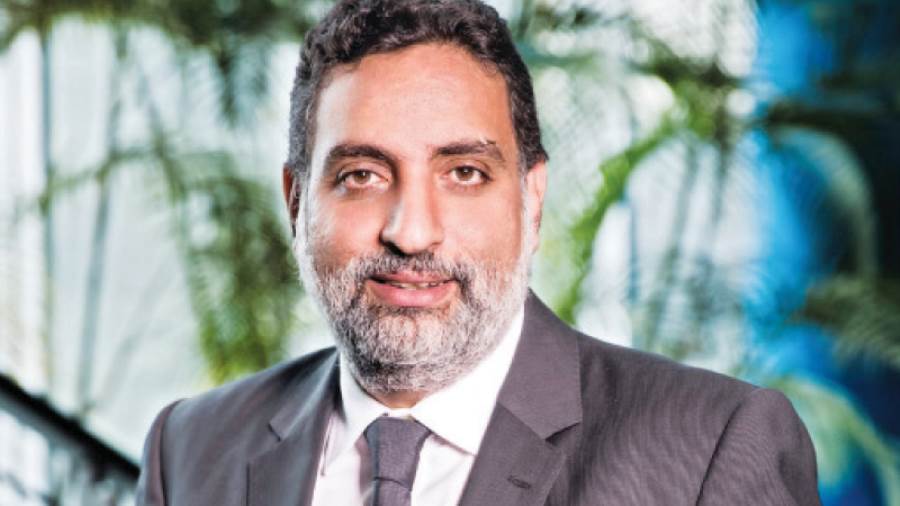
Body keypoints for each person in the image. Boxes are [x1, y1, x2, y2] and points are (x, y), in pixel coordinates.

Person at [136, 0, 821, 505]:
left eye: (463, 172)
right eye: (363, 175)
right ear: (296, 203)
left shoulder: (709, 449)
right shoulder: (189, 449)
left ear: (531, 199)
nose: (412, 233)